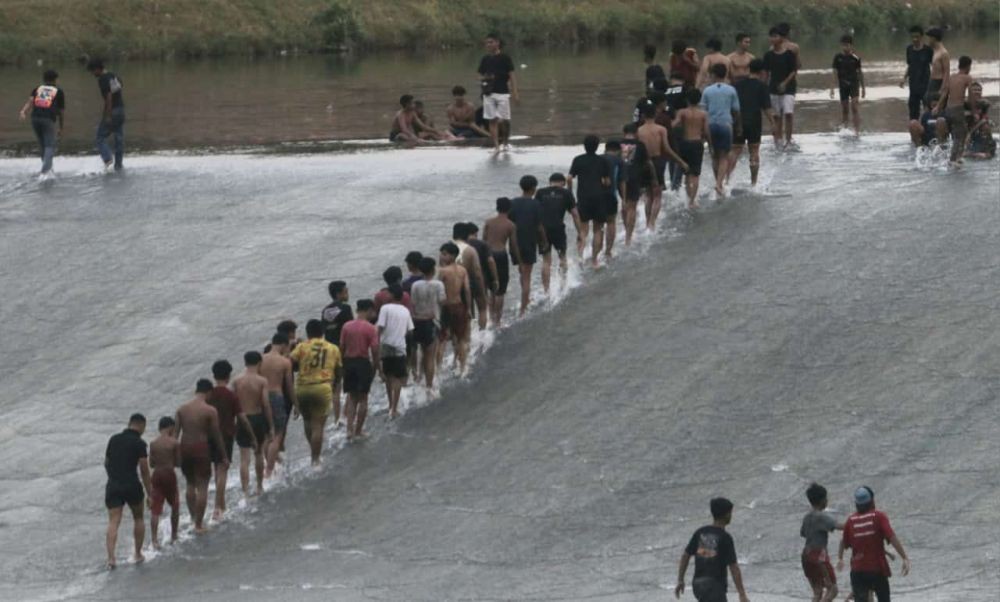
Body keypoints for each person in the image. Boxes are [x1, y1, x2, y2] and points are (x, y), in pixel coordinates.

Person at [837, 487, 911, 602]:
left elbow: (843, 542)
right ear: (872, 501)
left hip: (858, 571)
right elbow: (891, 537)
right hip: (877, 569)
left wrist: (840, 558)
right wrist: (904, 557)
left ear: (856, 504)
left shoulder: (851, 520)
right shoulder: (879, 516)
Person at [175, 379, 228, 534]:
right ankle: (199, 525)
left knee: (190, 484)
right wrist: (223, 455)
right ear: (209, 392)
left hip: (184, 448)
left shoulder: (181, 409)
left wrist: (174, 456)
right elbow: (217, 435)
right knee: (202, 486)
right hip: (201, 448)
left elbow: (175, 436)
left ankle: (193, 518)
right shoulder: (210, 410)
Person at [675, 497, 751, 602]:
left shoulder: (700, 532)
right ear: (727, 514)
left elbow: (685, 555)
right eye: (730, 512)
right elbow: (734, 567)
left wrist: (680, 580)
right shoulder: (725, 537)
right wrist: (742, 594)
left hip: (697, 585)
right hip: (714, 586)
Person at [205, 359, 253, 520]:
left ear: (213, 376)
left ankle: (222, 504)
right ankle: (217, 508)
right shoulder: (231, 396)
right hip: (225, 436)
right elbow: (242, 417)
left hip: (209, 436)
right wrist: (251, 436)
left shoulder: (208, 395)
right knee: (222, 470)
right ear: (229, 376)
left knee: (216, 469)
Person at [290, 319, 343, 466]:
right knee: (318, 426)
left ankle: (312, 452)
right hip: (322, 388)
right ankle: (316, 460)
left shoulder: (302, 347)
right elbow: (339, 370)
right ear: (323, 332)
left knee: (308, 421)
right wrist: (336, 384)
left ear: (308, 333)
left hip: (302, 388)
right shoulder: (333, 348)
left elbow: (291, 364)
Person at [104, 413, 152, 569]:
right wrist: (150, 493)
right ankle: (137, 554)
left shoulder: (114, 439)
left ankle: (111, 559)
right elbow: (144, 470)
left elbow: (106, 462)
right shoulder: (140, 443)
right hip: (132, 484)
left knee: (113, 521)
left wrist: (113, 477)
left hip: (113, 484)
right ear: (142, 426)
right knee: (138, 518)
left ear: (129, 423)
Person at [637, 105, 687, 229]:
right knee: (657, 194)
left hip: (643, 163)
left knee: (648, 194)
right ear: (655, 115)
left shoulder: (639, 130)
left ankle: (647, 221)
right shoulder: (661, 129)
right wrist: (680, 161)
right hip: (657, 161)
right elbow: (667, 149)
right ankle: (652, 223)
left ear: (643, 115)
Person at [233, 351, 272, 497]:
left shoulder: (236, 381)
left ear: (245, 363)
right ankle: (259, 486)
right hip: (257, 417)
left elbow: (233, 403)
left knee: (244, 458)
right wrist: (271, 426)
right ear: (259, 363)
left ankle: (245, 491)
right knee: (259, 453)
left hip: (242, 419)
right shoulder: (262, 381)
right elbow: (266, 404)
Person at [729, 59, 774, 187]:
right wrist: (773, 123)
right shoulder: (762, 86)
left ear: (749, 69)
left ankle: (726, 180)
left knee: (735, 150)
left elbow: (732, 106)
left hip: (738, 121)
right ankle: (753, 183)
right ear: (762, 72)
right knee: (754, 151)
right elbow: (767, 108)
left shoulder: (737, 85)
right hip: (754, 121)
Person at [569, 136, 612, 268]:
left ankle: (580, 258)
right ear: (598, 146)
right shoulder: (602, 161)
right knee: (598, 229)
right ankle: (594, 260)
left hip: (583, 197)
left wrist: (570, 194)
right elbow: (607, 181)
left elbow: (569, 178)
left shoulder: (578, 159)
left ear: (584, 145)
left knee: (583, 229)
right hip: (599, 197)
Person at [340, 299, 381, 438]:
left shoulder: (346, 326)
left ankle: (349, 430)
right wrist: (377, 367)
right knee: (363, 399)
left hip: (349, 363)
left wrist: (342, 365)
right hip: (363, 363)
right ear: (369, 310)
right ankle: (359, 430)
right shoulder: (371, 328)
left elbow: (342, 347)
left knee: (351, 398)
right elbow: (375, 350)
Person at [700, 63, 741, 197]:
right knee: (724, 156)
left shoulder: (707, 91)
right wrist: (738, 126)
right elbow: (736, 111)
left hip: (710, 125)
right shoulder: (731, 90)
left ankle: (717, 182)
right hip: (726, 125)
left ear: (713, 75)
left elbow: (703, 111)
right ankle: (719, 184)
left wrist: (702, 130)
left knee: (714, 155)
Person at [509, 175, 549, 314]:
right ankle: (523, 308)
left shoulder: (512, 203)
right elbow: (539, 227)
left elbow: (509, 223)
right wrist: (544, 242)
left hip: (514, 242)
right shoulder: (536, 204)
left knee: (522, 271)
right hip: (529, 241)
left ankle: (525, 299)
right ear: (534, 188)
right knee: (527, 275)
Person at [535, 173, 582, 292]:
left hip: (542, 231)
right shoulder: (566, 193)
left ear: (550, 182)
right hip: (558, 229)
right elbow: (575, 214)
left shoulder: (540, 192)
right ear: (563, 183)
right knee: (562, 257)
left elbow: (535, 212)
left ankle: (546, 290)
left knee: (546, 261)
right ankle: (563, 285)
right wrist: (580, 232)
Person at [260, 333, 295, 477]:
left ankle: (268, 466)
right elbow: (289, 387)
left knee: (266, 434)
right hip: (276, 396)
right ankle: (269, 470)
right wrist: (296, 404)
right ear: (283, 345)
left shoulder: (259, 360)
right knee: (278, 435)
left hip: (261, 397)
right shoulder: (284, 362)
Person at [801, 483, 843, 602]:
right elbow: (838, 526)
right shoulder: (821, 516)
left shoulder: (807, 517)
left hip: (805, 555)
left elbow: (803, 533)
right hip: (818, 555)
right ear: (822, 500)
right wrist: (854, 522)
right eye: (826, 498)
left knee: (817, 592)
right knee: (832, 589)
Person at [18, 69, 65, 176]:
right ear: (55, 80)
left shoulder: (37, 89)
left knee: (42, 145)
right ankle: (45, 172)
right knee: (50, 146)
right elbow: (61, 112)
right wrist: (61, 127)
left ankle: (48, 169)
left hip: (35, 119)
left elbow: (30, 102)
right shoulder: (59, 91)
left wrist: (23, 111)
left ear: (44, 79)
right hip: (47, 120)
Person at [478, 32, 519, 152]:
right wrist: (485, 78)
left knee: (504, 120)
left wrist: (515, 92)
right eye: (487, 43)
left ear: (497, 43)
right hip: (488, 93)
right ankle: (496, 145)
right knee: (492, 119)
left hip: (503, 92)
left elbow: (512, 76)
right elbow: (479, 74)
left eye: (491, 42)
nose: (488, 45)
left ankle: (505, 142)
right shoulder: (485, 59)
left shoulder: (505, 58)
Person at [377, 285, 414, 419]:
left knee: (388, 376)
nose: (386, 295)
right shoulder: (405, 310)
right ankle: (394, 407)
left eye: (388, 293)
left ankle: (389, 404)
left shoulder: (385, 308)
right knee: (398, 378)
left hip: (386, 345)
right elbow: (410, 331)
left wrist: (376, 344)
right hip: (400, 346)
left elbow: (380, 328)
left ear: (392, 295)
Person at [410, 257, 446, 389]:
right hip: (432, 321)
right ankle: (429, 386)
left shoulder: (415, 285)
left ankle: (419, 378)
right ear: (433, 269)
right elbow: (442, 301)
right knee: (430, 356)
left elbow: (413, 304)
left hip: (417, 322)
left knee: (421, 351)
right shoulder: (438, 285)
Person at [482, 197, 520, 325]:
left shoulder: (488, 222)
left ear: (497, 207)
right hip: (501, 255)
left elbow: (483, 241)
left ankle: (490, 317)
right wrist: (518, 261)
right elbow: (513, 246)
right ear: (509, 208)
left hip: (488, 255)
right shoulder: (510, 225)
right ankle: (497, 320)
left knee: (491, 287)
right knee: (501, 290)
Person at [437, 242, 471, 373]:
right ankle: (462, 368)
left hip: (446, 307)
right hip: (460, 306)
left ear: (452, 256)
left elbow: (438, 291)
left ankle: (438, 371)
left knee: (442, 340)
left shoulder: (443, 271)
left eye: (444, 254)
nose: (441, 256)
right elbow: (467, 290)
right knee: (461, 339)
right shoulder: (463, 270)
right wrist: (468, 309)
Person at [86, 58, 125, 171]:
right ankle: (118, 166)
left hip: (112, 111)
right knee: (119, 139)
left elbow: (108, 97)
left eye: (93, 71)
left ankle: (107, 158)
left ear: (98, 69)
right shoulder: (112, 75)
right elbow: (121, 84)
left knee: (100, 137)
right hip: (121, 110)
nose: (92, 74)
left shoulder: (102, 79)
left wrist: (108, 115)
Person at [763, 27, 799, 149]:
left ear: (781, 38)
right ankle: (777, 141)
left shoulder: (789, 54)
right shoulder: (768, 55)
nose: (773, 39)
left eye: (776, 36)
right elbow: (766, 73)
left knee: (788, 113)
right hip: (773, 88)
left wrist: (785, 83)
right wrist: (763, 88)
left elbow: (794, 71)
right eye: (771, 36)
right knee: (776, 116)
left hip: (789, 88)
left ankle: (788, 141)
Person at [148, 416, 180, 550]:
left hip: (156, 475)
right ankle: (173, 536)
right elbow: (178, 462)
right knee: (175, 505)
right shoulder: (174, 443)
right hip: (169, 473)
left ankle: (154, 540)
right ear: (170, 427)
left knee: (155, 509)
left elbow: (151, 463)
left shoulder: (153, 443)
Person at [675, 89, 710, 210]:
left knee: (687, 173)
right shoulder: (703, 114)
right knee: (695, 174)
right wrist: (710, 145)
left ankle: (688, 197)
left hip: (685, 143)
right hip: (697, 143)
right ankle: (692, 201)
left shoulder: (682, 112)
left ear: (687, 99)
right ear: (699, 100)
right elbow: (706, 131)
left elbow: (675, 124)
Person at [620, 123, 655, 245]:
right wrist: (654, 178)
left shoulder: (618, 144)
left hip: (620, 178)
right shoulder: (640, 145)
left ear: (624, 133)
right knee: (632, 207)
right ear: (636, 133)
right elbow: (648, 163)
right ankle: (628, 237)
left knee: (623, 204)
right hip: (634, 177)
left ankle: (626, 229)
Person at [935, 55, 973, 165]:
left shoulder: (951, 77)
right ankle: (953, 159)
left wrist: (938, 106)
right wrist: (973, 110)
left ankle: (954, 156)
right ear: (968, 66)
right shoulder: (967, 78)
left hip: (948, 109)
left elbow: (945, 93)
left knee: (960, 133)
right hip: (957, 109)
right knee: (960, 135)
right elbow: (970, 98)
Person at [453, 223, 487, 332]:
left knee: (466, 312)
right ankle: (482, 334)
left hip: (456, 284)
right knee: (482, 308)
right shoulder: (470, 250)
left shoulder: (447, 250)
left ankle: (467, 336)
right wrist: (482, 288)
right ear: (467, 234)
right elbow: (477, 272)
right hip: (472, 281)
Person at [465, 222, 499, 328]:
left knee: (469, 309)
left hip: (464, 281)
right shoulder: (483, 244)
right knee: (482, 309)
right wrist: (495, 278)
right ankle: (482, 333)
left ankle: (470, 333)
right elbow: (490, 261)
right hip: (480, 279)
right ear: (476, 232)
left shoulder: (462, 245)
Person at [831, 35, 866, 136]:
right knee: (845, 109)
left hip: (854, 84)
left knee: (854, 107)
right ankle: (845, 130)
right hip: (843, 85)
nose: (845, 47)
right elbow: (834, 72)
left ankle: (856, 131)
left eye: (847, 45)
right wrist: (832, 88)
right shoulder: (837, 57)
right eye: (843, 45)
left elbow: (860, 73)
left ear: (851, 45)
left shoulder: (856, 58)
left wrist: (863, 88)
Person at [900, 26, 933, 121]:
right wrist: (903, 79)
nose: (915, 39)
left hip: (925, 85)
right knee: (913, 114)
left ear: (922, 37)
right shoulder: (909, 49)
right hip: (913, 85)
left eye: (917, 37)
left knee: (927, 110)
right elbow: (910, 66)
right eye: (913, 37)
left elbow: (934, 66)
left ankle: (927, 131)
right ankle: (914, 132)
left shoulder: (928, 50)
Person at [602, 140, 625, 258]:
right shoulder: (619, 161)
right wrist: (624, 199)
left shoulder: (597, 158)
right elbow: (621, 182)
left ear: (605, 149)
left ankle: (593, 252)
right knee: (611, 223)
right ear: (618, 151)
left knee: (598, 225)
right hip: (610, 195)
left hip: (595, 196)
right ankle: (608, 251)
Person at [925, 28, 949, 110]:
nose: (928, 40)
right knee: (927, 103)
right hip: (932, 81)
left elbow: (946, 72)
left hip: (939, 82)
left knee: (938, 107)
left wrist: (943, 88)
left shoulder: (944, 53)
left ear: (933, 38)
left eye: (929, 38)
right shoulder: (934, 51)